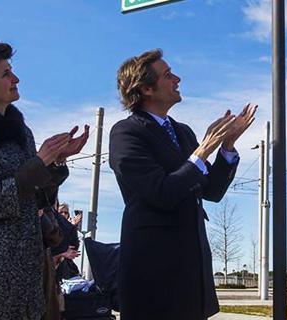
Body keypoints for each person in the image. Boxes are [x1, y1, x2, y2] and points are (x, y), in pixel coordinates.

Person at [109, 49, 257, 320]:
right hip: (152, 279)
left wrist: (226, 145)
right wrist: (203, 150)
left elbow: (211, 191)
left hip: (191, 277)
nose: (177, 78)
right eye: (167, 75)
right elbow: (162, 192)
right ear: (146, 89)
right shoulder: (126, 133)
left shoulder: (183, 131)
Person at [0, 42, 89, 319]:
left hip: (24, 271)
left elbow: (36, 198)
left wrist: (57, 160)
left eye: (12, 71)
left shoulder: (22, 132)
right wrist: (40, 161)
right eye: (5, 74)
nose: (16, 79)